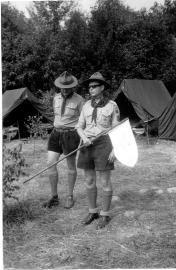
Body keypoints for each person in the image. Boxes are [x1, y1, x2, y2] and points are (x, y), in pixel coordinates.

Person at [76, 72, 120, 229]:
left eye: (94, 86)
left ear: (102, 88)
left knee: (104, 181)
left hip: (104, 144)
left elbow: (117, 129)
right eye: (89, 87)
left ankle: (105, 214)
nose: (91, 89)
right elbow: (79, 126)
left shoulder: (112, 105)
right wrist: (84, 137)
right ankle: (92, 211)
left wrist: (115, 149)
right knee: (89, 180)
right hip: (87, 144)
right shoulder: (86, 105)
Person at [43, 71, 84, 209]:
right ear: (59, 86)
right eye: (62, 88)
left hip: (71, 135)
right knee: (50, 163)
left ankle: (70, 196)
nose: (65, 90)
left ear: (73, 87)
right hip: (55, 134)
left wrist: (83, 136)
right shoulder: (55, 98)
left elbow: (83, 121)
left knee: (71, 167)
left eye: (68, 88)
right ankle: (54, 197)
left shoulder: (79, 100)